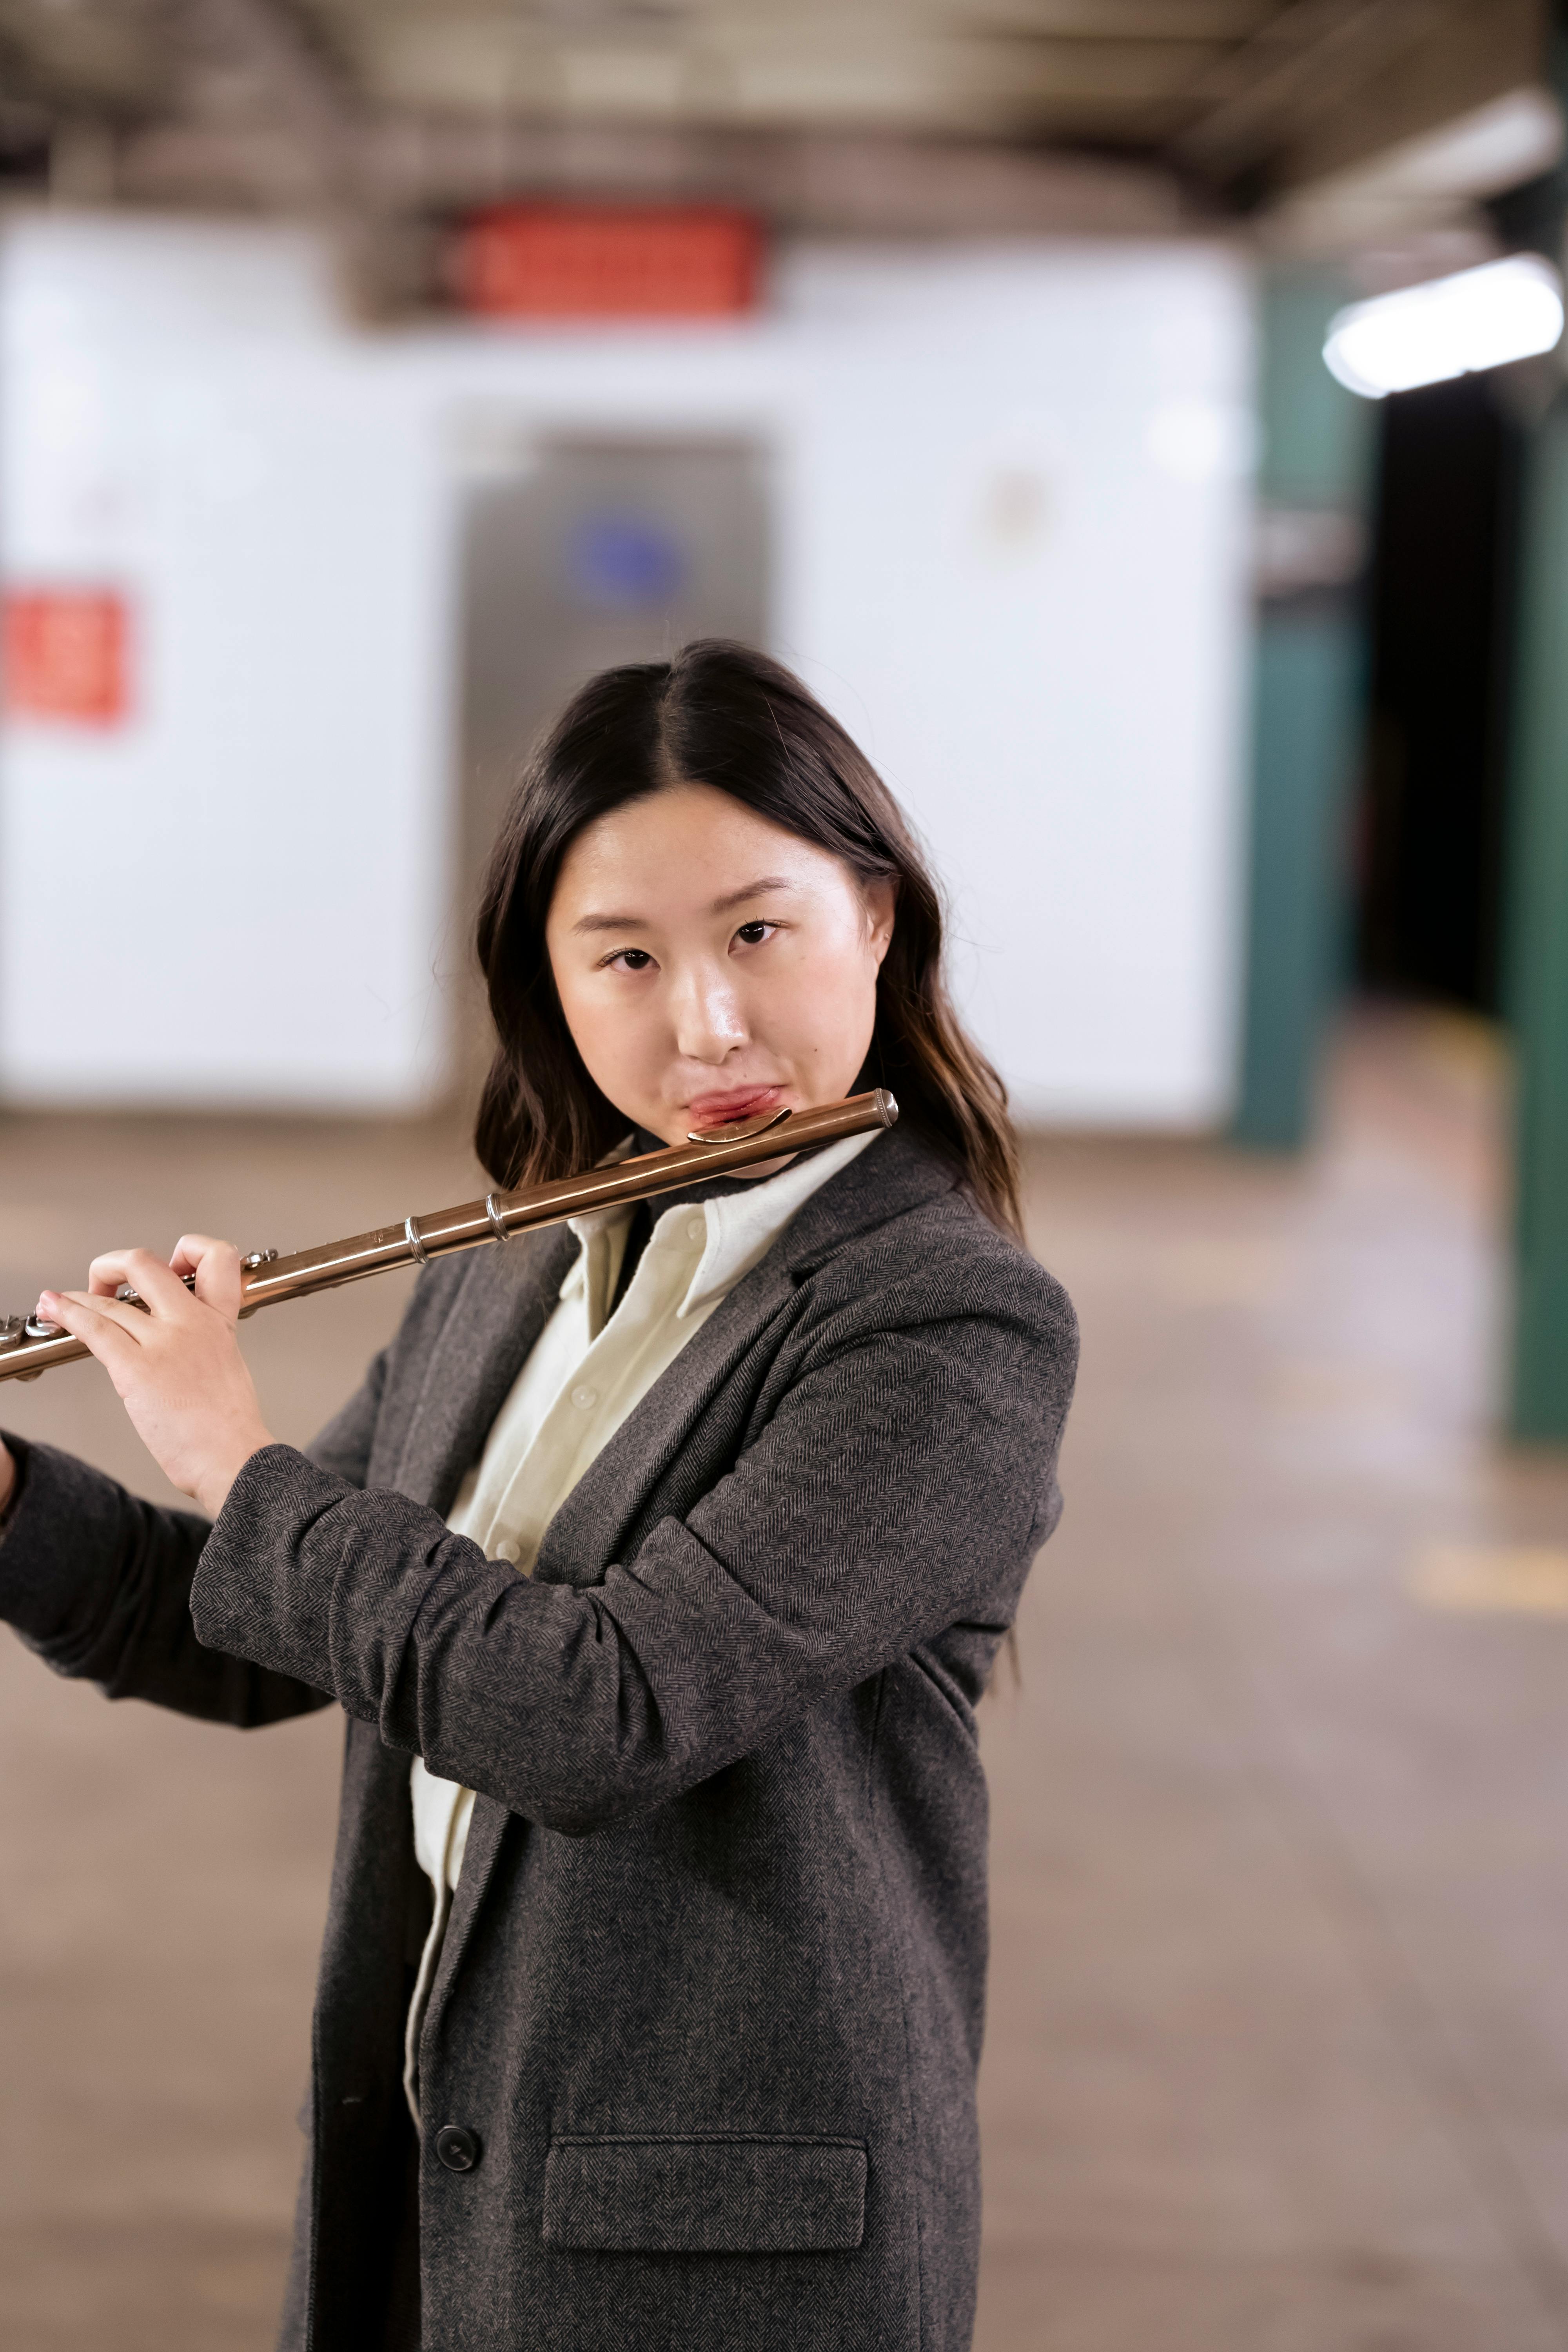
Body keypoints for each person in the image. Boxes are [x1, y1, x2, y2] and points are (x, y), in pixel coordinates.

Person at [0, 639, 1077, 2352]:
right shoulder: (515, 1269)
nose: (707, 1021)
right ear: (548, 985)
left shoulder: (946, 1327)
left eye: (759, 931)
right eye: (627, 957)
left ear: (873, 916)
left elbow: (604, 1716)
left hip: (729, 2258)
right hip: (454, 2166)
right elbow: (248, 1631)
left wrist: (230, 1451)